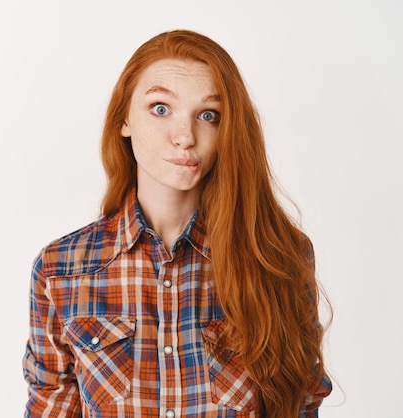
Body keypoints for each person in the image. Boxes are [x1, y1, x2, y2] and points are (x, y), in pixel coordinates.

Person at [23, 29, 332, 418]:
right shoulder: (61, 268)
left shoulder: (276, 255)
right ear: (124, 120)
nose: (185, 137)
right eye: (160, 108)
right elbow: (50, 406)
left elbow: (301, 403)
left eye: (208, 116)